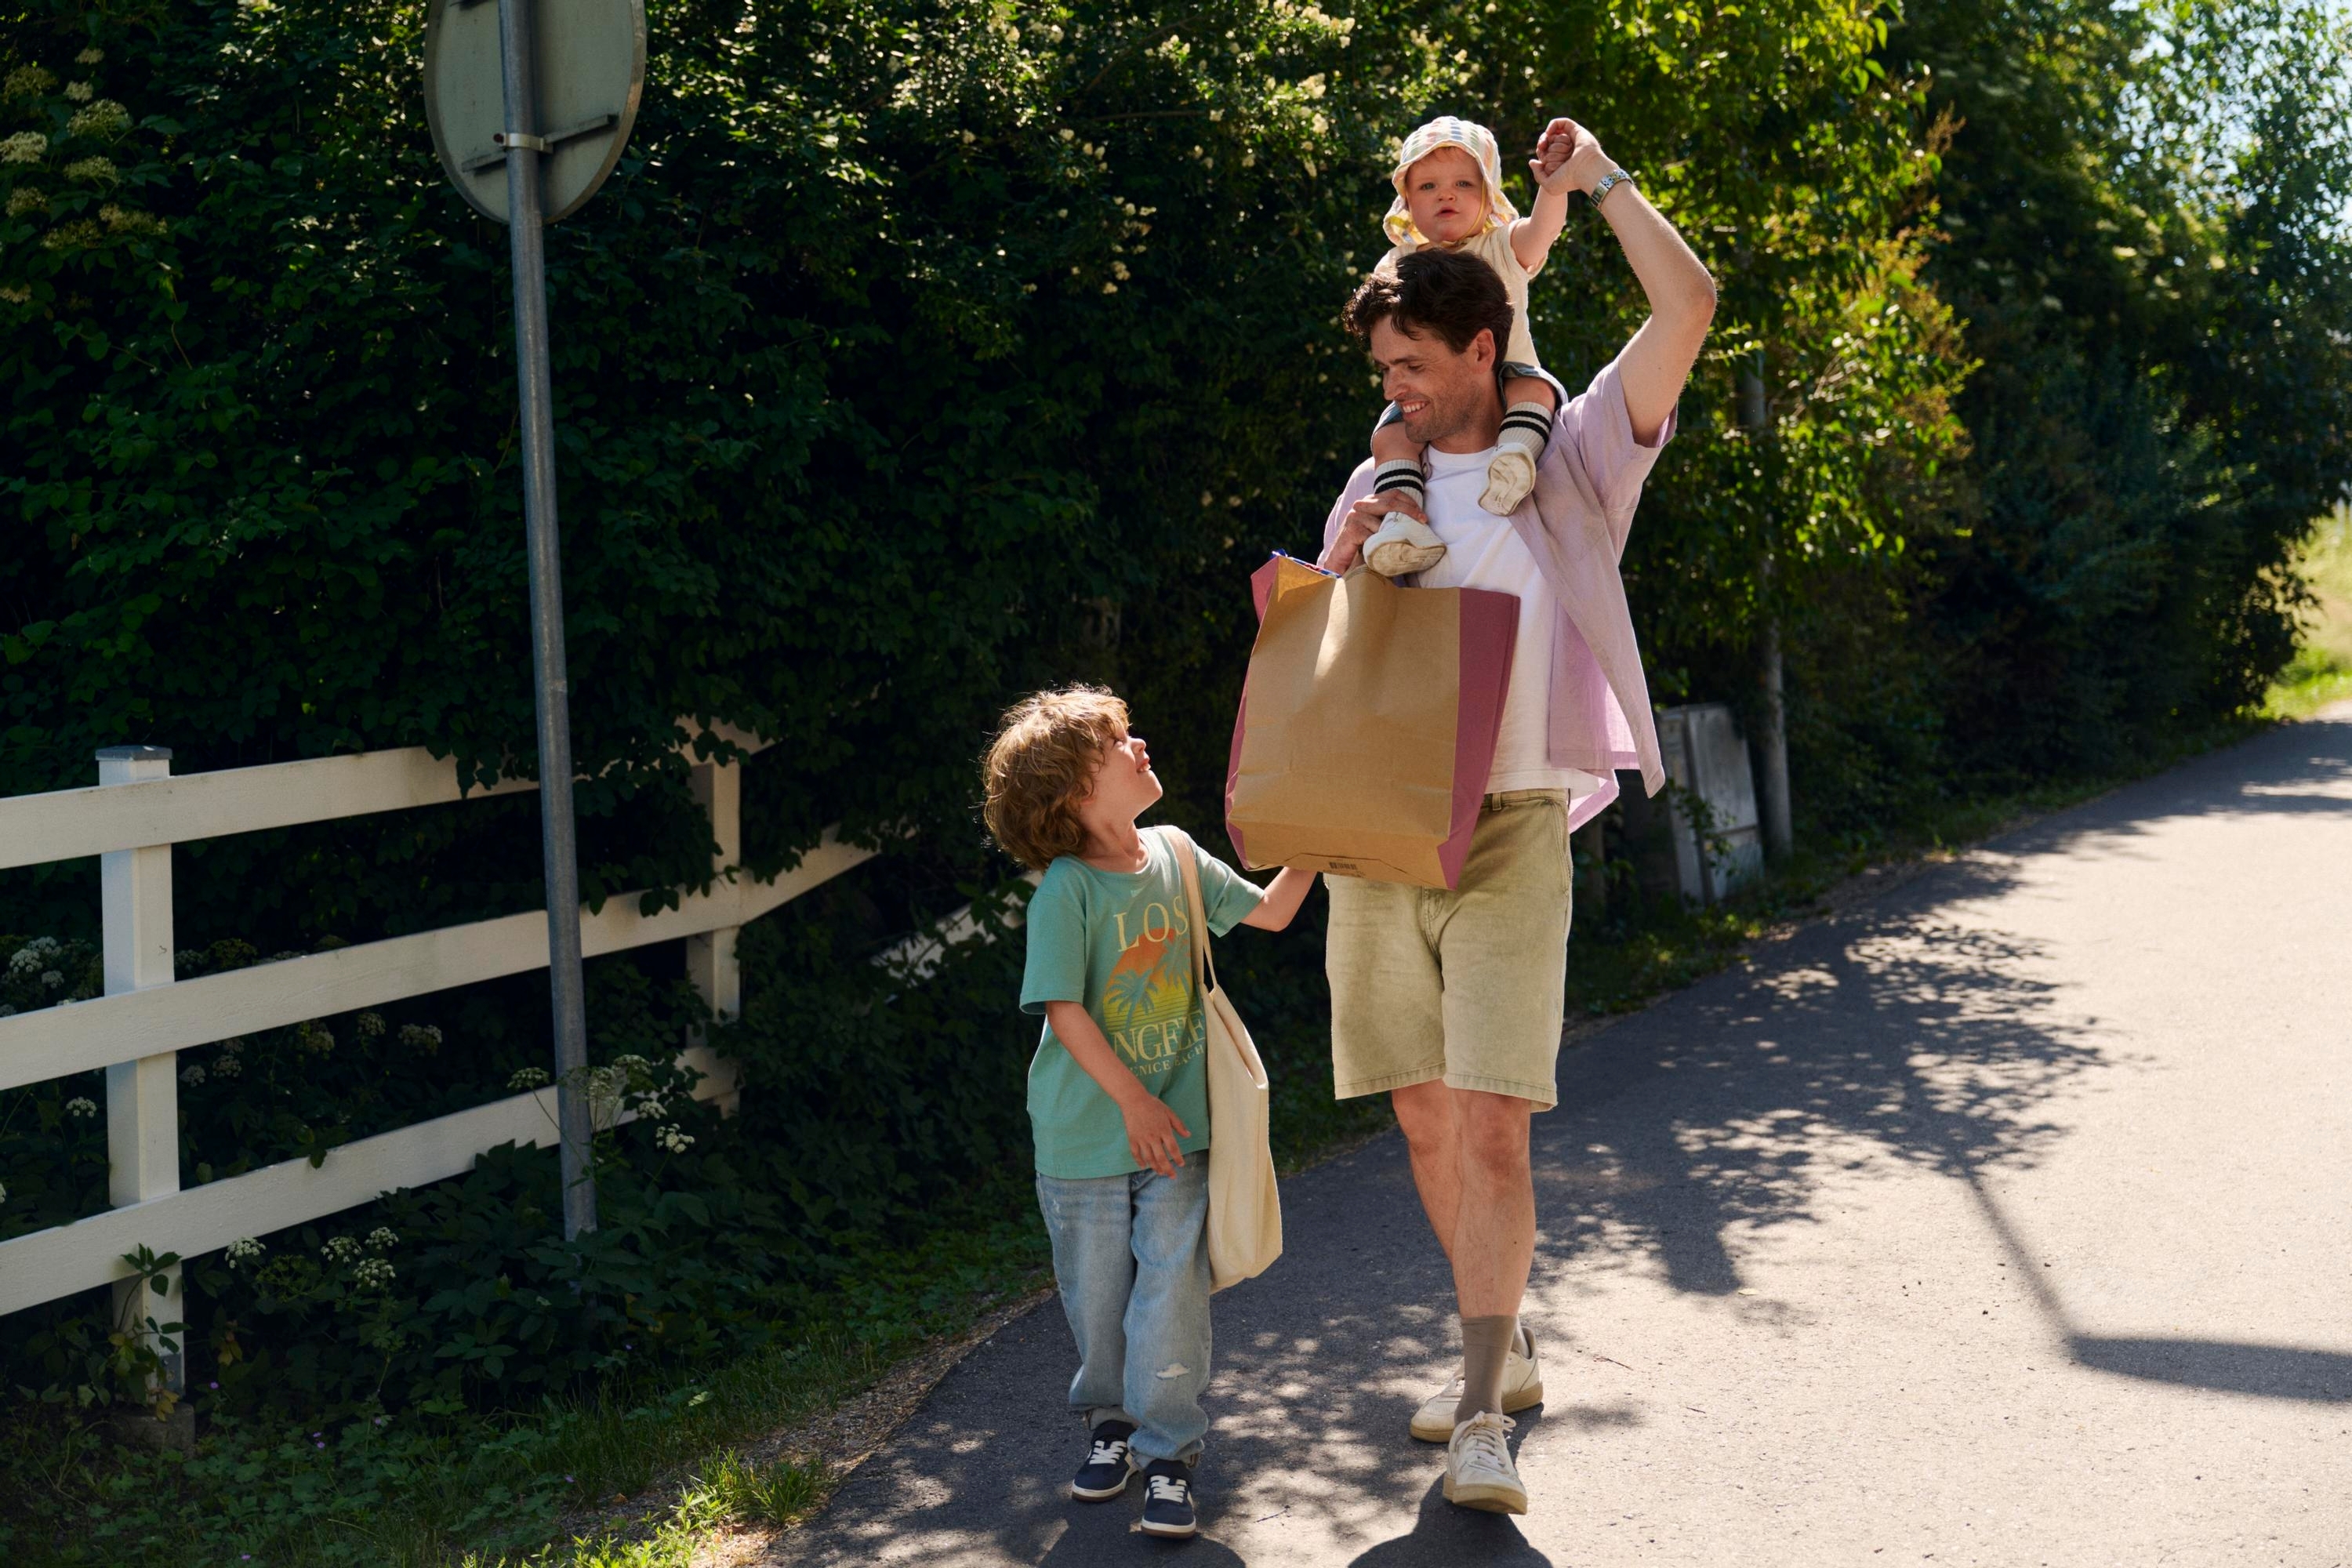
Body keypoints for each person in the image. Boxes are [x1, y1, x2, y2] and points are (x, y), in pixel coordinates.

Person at [1316, 116, 1715, 1515]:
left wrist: (1595, 182)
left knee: (1493, 1125)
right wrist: (1344, 573)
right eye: (1383, 374)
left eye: (1413, 369)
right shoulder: (1380, 479)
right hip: (1379, 835)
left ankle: (1482, 1411)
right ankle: (1510, 1337)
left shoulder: (1576, 459)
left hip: (1509, 827)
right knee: (1423, 1123)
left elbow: (1691, 304)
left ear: (1485, 350)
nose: (1397, 395)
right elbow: (1326, 679)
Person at [982, 686, 1316, 1540]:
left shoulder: (1176, 851)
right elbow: (1063, 1007)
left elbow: (1273, 911)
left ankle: (1169, 1451)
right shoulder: (1065, 891)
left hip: (1179, 1128)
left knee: (1171, 1287)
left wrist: (1318, 841)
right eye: (1118, 741)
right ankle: (1110, 1422)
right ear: (1072, 794)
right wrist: (1131, 1101)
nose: (1141, 745)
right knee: (1099, 1300)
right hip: (1083, 1131)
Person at [1358, 114, 1583, 579]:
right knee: (1389, 435)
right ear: (1407, 202)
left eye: (1464, 182)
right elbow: (1375, 319)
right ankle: (1402, 517)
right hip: (1435, 393)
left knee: (1534, 390)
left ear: (1488, 196)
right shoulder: (1398, 263)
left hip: (1511, 373)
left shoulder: (1501, 245)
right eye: (1428, 187)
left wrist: (1555, 184)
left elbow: (1545, 228)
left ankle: (1514, 456)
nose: (1446, 194)